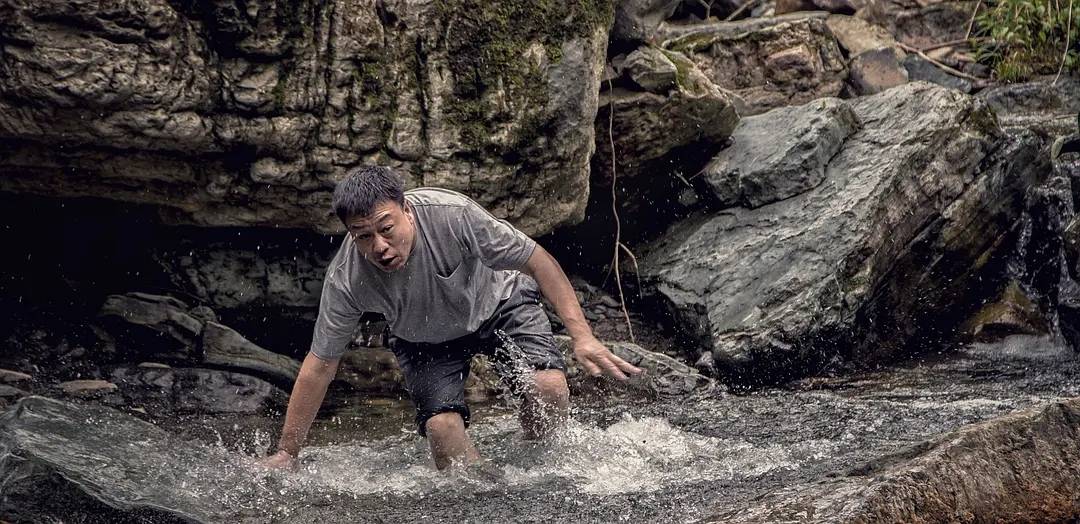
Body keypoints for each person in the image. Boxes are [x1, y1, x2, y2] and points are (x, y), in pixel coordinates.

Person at [259, 165, 641, 471]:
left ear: (406, 210)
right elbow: (321, 364)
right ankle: (488, 497)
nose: (379, 246)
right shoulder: (347, 278)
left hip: (499, 304)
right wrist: (288, 452)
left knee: (549, 388)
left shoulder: (452, 215)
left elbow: (538, 260)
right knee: (442, 429)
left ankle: (544, 469)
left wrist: (583, 336)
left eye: (386, 228)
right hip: (424, 338)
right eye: (362, 236)